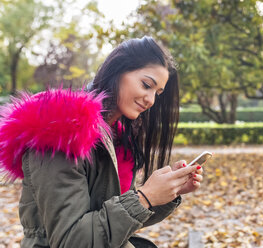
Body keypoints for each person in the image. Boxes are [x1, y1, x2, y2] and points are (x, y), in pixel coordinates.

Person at [0, 36, 203, 247]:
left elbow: (111, 222)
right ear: (118, 70)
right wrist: (145, 197)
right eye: (146, 85)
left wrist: (167, 192)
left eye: (157, 93)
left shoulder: (118, 138)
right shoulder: (61, 131)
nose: (150, 100)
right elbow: (72, 240)